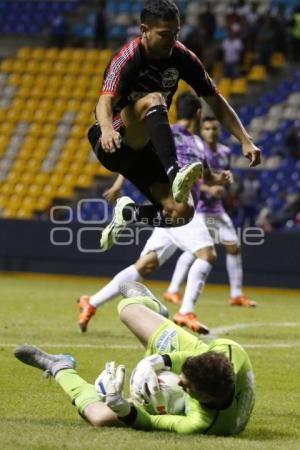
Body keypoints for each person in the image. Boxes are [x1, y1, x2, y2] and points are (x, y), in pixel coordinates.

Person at [89, 0, 261, 250]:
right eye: (164, 34)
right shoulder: (127, 57)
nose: (171, 40)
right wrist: (106, 129)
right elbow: (104, 102)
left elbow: (216, 101)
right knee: (154, 99)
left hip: (143, 150)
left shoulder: (182, 57)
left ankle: (130, 214)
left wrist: (245, 139)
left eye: (176, 33)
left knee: (181, 212)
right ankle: (175, 172)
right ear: (144, 29)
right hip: (113, 139)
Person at [78, 92, 233, 334]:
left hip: (173, 212)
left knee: (145, 266)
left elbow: (204, 173)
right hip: (179, 206)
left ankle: (92, 302)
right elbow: (139, 154)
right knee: (207, 254)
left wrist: (219, 178)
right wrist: (119, 185)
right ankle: (186, 311)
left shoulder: (196, 142)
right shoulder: (165, 131)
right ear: (199, 114)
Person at [15, 281, 256, 436]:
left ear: (205, 396)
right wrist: (157, 361)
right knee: (127, 309)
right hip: (193, 350)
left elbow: (151, 423)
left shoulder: (203, 423)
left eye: (185, 385)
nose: (180, 382)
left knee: (100, 417)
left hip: (177, 406)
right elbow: (191, 357)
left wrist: (122, 406)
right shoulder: (230, 352)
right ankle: (154, 307)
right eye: (181, 378)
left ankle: (59, 366)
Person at [164, 117, 257, 307]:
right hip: (198, 209)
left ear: (219, 130)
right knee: (196, 251)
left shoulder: (225, 152)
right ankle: (172, 290)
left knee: (233, 247)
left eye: (214, 128)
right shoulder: (196, 149)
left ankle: (236, 294)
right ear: (202, 130)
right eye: (206, 128)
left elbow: (222, 176)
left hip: (216, 210)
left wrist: (225, 181)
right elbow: (192, 180)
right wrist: (209, 189)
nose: (211, 132)